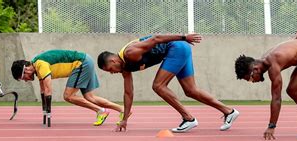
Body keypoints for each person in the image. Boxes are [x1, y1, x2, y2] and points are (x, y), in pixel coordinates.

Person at [97, 34, 239, 133]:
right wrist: (125, 119)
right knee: (191, 90)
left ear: (113, 61)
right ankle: (229, 111)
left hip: (176, 47)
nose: (112, 73)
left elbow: (156, 38)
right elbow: (128, 93)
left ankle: (188, 118)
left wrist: (184, 37)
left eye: (110, 69)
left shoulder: (130, 53)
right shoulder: (125, 68)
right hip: (180, 49)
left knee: (158, 86)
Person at [11, 50, 124, 127]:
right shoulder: (37, 66)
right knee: (90, 97)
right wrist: (45, 112)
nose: (25, 80)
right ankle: (122, 110)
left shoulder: (40, 64)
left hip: (81, 63)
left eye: (23, 78)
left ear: (25, 70)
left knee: (68, 96)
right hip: (86, 61)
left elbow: (48, 90)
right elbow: (42, 90)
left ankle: (101, 111)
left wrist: (48, 113)